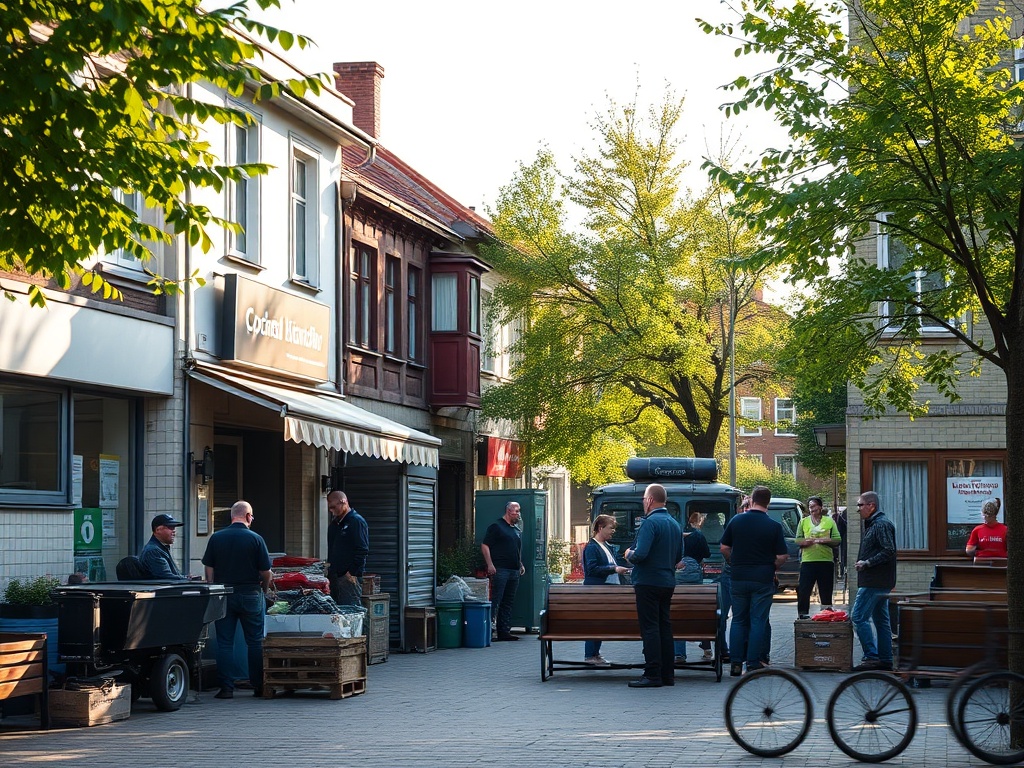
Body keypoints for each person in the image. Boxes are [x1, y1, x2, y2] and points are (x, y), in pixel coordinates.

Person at [202, 500, 273, 699]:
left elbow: (209, 567)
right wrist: (264, 590)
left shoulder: (216, 538)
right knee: (255, 641)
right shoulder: (256, 539)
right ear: (248, 516)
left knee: (225, 643)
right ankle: (258, 686)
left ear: (232, 516)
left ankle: (226, 688)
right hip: (251, 593)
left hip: (224, 594)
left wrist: (212, 586)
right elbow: (266, 571)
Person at [720, 485, 788, 677]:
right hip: (762, 579)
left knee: (738, 620)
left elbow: (724, 548)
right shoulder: (774, 526)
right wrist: (771, 566)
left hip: (739, 577)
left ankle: (735, 663)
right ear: (768, 502)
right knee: (758, 620)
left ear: (752, 499)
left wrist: (734, 562)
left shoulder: (737, 521)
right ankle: (752, 663)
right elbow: (782, 556)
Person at [623, 483, 682, 688]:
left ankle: (652, 673)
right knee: (664, 627)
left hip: (648, 581)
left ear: (649, 500)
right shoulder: (674, 523)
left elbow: (640, 554)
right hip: (667, 581)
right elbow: (679, 556)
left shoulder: (649, 523)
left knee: (649, 628)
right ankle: (668, 674)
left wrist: (628, 554)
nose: (643, 502)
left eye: (643, 499)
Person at [851, 491, 897, 671]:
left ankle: (871, 656)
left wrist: (867, 562)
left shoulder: (881, 525)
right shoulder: (874, 524)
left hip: (874, 581)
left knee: (858, 617)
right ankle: (885, 659)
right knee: (881, 620)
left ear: (872, 505)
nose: (858, 509)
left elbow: (889, 550)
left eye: (861, 505)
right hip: (878, 580)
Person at [582, 514, 631, 665]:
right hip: (596, 590)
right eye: (611, 528)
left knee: (600, 622)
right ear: (600, 528)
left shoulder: (606, 546)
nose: (613, 531)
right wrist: (614, 569)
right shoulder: (592, 547)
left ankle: (595, 653)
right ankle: (590, 654)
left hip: (605, 590)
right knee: (594, 622)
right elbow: (592, 569)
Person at [481, 501, 526, 641]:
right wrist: (490, 564)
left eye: (519, 511)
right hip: (500, 569)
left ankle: (504, 631)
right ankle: (490, 631)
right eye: (516, 511)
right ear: (508, 511)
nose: (518, 514)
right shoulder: (497, 526)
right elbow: (485, 545)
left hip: (514, 570)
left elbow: (515, 549)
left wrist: (520, 564)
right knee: (496, 600)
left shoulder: (515, 530)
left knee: (508, 601)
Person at [674, 510, 712, 663]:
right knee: (698, 610)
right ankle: (707, 647)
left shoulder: (678, 535)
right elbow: (707, 553)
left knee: (677, 613)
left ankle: (679, 654)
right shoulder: (699, 535)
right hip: (695, 575)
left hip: (679, 573)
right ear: (698, 521)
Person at [795, 496, 841, 619]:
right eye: (810, 506)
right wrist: (805, 542)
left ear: (820, 507)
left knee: (826, 589)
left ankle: (826, 614)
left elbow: (837, 540)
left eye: (814, 506)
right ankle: (803, 614)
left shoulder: (829, 521)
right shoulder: (803, 522)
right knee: (804, 589)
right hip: (808, 561)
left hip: (825, 561)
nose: (812, 509)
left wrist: (824, 540)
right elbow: (798, 539)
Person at [326, 490, 369, 606]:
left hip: (348, 576)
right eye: (330, 508)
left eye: (334, 507)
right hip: (335, 574)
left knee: (350, 610)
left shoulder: (356, 521)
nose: (332, 511)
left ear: (343, 502)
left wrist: (352, 572)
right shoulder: (335, 524)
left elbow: (362, 549)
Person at [139, 514, 189, 581]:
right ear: (157, 530)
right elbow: (166, 578)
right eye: (170, 527)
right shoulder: (153, 551)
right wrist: (187, 580)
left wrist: (186, 578)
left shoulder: (160, 548)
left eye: (174, 528)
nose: (174, 531)